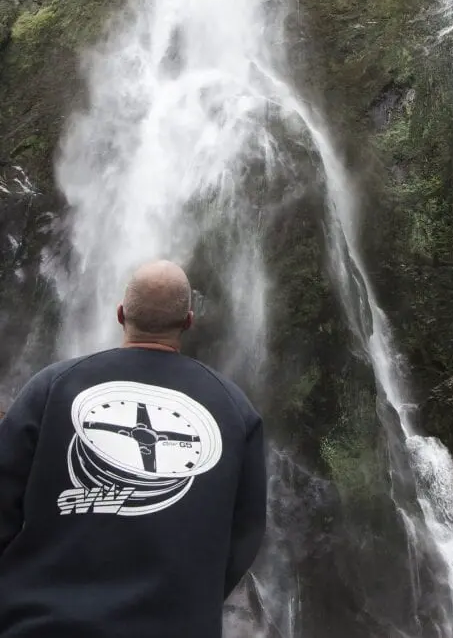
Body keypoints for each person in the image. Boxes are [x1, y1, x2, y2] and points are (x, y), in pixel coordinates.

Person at [0, 260, 267, 638]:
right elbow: (246, 533)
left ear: (121, 313)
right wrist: (192, 599)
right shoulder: (235, 409)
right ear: (189, 321)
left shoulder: (52, 386)